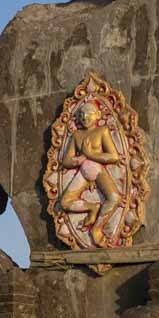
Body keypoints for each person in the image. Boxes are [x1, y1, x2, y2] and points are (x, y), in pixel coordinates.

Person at [59, 100, 124, 245]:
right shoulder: (77, 135)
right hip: (83, 170)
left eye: (89, 113)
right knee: (65, 203)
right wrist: (78, 160)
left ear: (98, 115)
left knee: (114, 198)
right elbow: (66, 161)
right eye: (81, 114)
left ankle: (97, 228)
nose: (85, 117)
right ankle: (92, 207)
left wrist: (90, 154)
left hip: (98, 169)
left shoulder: (102, 131)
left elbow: (113, 156)